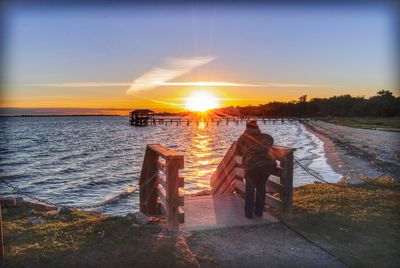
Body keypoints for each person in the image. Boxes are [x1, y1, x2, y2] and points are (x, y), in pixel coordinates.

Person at [236, 120, 276, 218]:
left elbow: (238, 152)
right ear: (257, 128)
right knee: (261, 187)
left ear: (246, 128)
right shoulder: (265, 137)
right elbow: (271, 140)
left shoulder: (243, 137)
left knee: (250, 188)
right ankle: (259, 212)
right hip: (268, 165)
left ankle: (249, 214)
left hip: (252, 166)